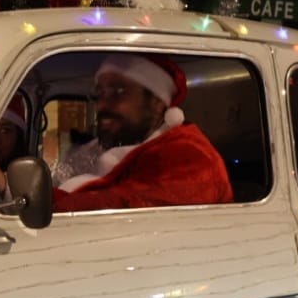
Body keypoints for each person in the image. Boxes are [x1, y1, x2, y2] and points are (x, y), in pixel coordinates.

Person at [45, 53, 231, 213]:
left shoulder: (191, 155)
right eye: (100, 93)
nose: (102, 105)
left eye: (119, 92)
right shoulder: (111, 146)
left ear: (157, 103)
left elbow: (127, 209)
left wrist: (46, 205)